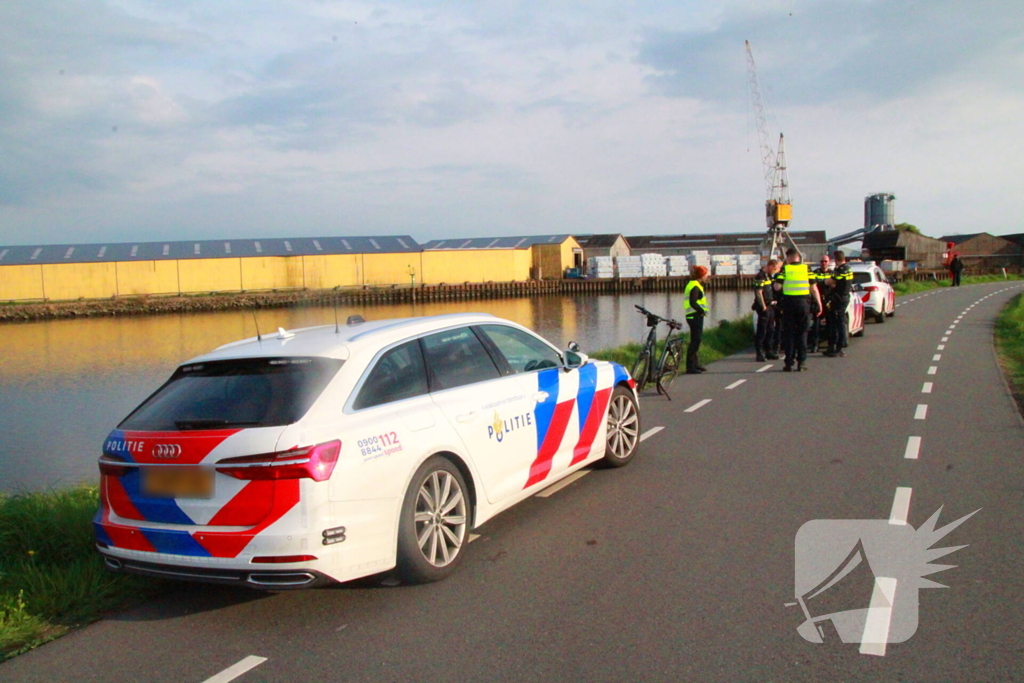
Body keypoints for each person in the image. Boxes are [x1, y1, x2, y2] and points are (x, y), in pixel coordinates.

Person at [774, 248, 822, 372]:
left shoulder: (786, 269)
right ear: (798, 257)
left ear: (789, 257)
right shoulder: (807, 269)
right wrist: (819, 304)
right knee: (802, 334)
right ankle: (802, 363)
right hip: (804, 304)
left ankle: (789, 363)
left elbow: (777, 287)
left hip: (789, 304)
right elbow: (814, 288)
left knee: (789, 334)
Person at [823, 250, 854, 357]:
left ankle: (838, 347)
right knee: (840, 322)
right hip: (844, 297)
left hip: (838, 299)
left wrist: (827, 281)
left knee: (837, 323)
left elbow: (828, 282)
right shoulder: (848, 268)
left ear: (836, 260)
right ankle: (837, 346)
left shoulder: (840, 270)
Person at [684, 265, 710, 374]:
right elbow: (692, 302)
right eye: (706, 275)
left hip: (695, 315)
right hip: (694, 315)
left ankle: (695, 364)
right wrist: (702, 311)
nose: (707, 276)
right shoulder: (695, 286)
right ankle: (690, 366)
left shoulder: (695, 284)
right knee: (695, 340)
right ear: (701, 276)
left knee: (697, 340)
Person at [752, 259, 780, 362]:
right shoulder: (760, 276)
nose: (775, 271)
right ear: (771, 266)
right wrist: (763, 306)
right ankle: (759, 353)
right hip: (764, 307)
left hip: (771, 306)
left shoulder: (768, 276)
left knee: (771, 329)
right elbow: (758, 293)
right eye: (775, 269)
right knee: (762, 330)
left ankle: (769, 351)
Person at [808, 255, 833, 353]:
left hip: (828, 301)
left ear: (829, 262)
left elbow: (834, 285)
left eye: (825, 261)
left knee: (830, 325)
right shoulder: (815, 273)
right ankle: (815, 345)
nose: (824, 263)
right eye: (822, 261)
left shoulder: (832, 273)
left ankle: (830, 345)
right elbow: (813, 286)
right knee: (816, 326)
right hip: (817, 301)